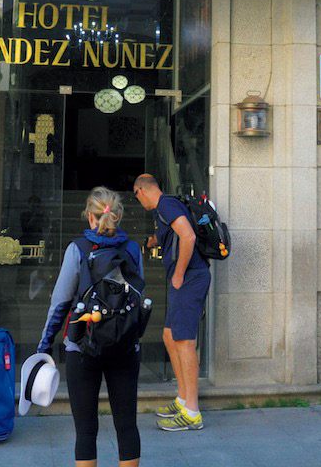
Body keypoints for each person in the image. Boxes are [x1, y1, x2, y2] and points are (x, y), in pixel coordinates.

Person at [36, 186, 144, 467]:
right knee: (127, 425)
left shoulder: (78, 249)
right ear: (118, 215)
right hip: (125, 346)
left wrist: (45, 344)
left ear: (89, 216)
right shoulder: (132, 249)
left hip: (82, 345)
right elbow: (139, 295)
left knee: (85, 430)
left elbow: (60, 302)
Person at [134, 173, 209, 432]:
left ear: (141, 191)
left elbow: (188, 237)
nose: (139, 201)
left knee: (185, 341)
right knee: (169, 335)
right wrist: (154, 241)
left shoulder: (166, 205)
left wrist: (178, 274)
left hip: (190, 278)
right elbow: (174, 234)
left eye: (137, 196)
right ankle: (183, 399)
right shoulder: (164, 210)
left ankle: (192, 413)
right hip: (186, 279)